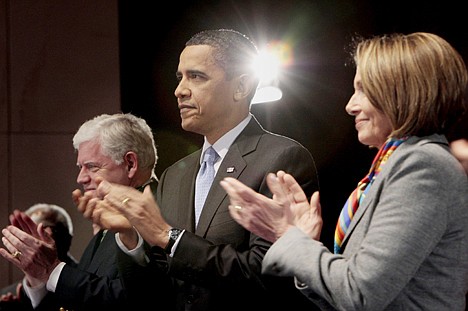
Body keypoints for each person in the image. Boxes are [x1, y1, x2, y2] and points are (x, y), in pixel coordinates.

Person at [220, 32, 468, 310]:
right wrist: (301, 239)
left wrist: (288, 235)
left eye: (362, 89)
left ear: (403, 92)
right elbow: (348, 296)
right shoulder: (394, 165)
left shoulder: (423, 165)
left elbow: (360, 294)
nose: (350, 106)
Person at [78, 29, 320, 310]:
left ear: (240, 87)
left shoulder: (282, 158)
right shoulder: (174, 175)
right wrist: (130, 239)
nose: (179, 90)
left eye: (196, 76)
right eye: (180, 77)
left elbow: (270, 275)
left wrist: (170, 238)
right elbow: (152, 296)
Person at [0, 113, 173, 310]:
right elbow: (86, 294)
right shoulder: (113, 216)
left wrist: (52, 270)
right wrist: (38, 276)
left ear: (130, 164)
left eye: (91, 167)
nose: (81, 178)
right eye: (80, 167)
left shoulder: (160, 214)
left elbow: (132, 300)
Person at [0, 203, 77, 310]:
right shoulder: (6, 295)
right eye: (30, 234)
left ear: (67, 240)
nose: (37, 245)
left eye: (45, 231)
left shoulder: (84, 285)